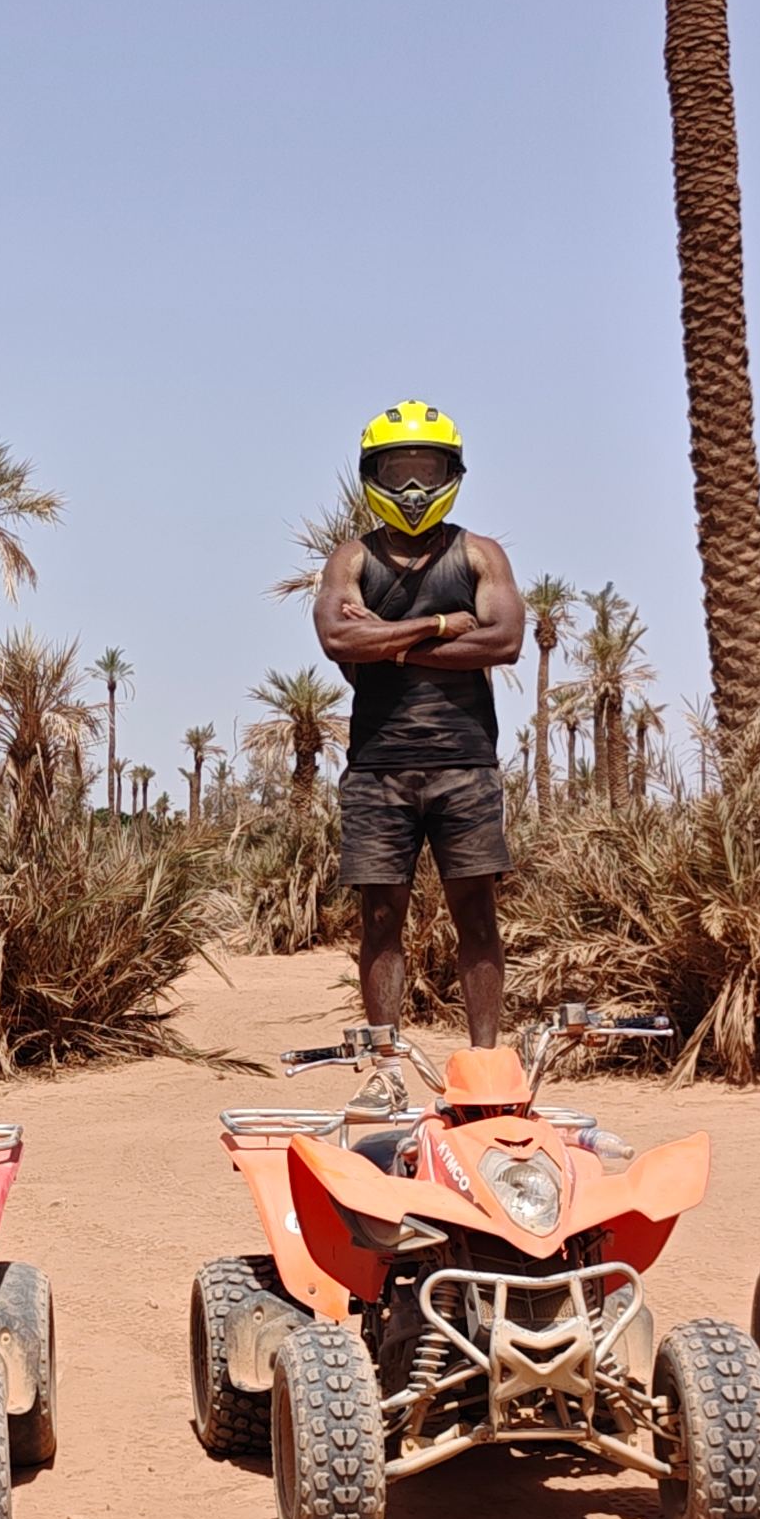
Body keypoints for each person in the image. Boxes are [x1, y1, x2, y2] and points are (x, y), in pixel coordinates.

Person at [314, 401, 525, 1043]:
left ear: (450, 473)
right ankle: (384, 1065)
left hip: (466, 764)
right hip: (378, 767)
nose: (412, 487)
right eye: (398, 469)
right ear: (372, 473)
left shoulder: (479, 554)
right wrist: (437, 626)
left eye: (426, 469)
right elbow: (335, 639)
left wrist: (387, 640)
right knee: (379, 916)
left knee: (477, 913)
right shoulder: (351, 559)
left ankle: (485, 1061)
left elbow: (505, 641)